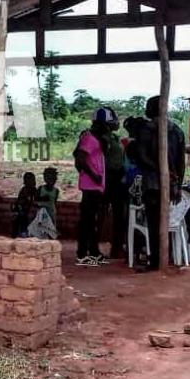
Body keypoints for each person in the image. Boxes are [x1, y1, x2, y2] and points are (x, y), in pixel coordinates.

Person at [128, 96, 186, 271]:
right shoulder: (176, 130)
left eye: (147, 107)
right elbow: (181, 162)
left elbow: (141, 155)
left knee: (154, 223)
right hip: (171, 183)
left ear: (152, 109)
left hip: (153, 184)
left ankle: (156, 262)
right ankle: (163, 258)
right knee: (164, 222)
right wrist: (177, 183)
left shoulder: (147, 129)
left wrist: (161, 171)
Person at [73, 109, 111, 265]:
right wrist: (93, 175)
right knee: (87, 220)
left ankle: (93, 252)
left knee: (92, 220)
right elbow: (80, 157)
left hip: (95, 187)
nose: (108, 128)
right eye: (107, 125)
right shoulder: (89, 139)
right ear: (100, 123)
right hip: (90, 186)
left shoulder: (95, 138)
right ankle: (82, 253)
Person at [99, 107, 127, 259]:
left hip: (117, 179)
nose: (117, 122)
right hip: (107, 178)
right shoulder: (103, 139)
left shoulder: (114, 138)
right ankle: (94, 248)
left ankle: (116, 247)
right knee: (101, 213)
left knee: (119, 215)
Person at [13, 172, 38, 238]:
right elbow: (19, 202)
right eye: (28, 180)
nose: (31, 182)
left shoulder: (34, 190)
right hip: (22, 210)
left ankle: (26, 233)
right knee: (20, 218)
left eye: (32, 180)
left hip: (30, 210)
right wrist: (20, 210)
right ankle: (20, 234)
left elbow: (36, 201)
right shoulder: (23, 190)